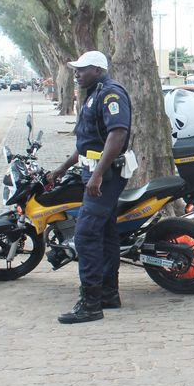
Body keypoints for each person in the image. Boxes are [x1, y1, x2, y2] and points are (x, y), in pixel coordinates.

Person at [47, 51, 132, 324]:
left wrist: (97, 175)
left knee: (84, 235)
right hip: (93, 172)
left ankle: (91, 304)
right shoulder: (92, 94)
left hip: (105, 176)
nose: (76, 74)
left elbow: (117, 135)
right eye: (75, 69)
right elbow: (87, 142)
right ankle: (108, 294)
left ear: (97, 69)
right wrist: (62, 168)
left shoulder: (111, 94)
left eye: (81, 69)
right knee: (106, 233)